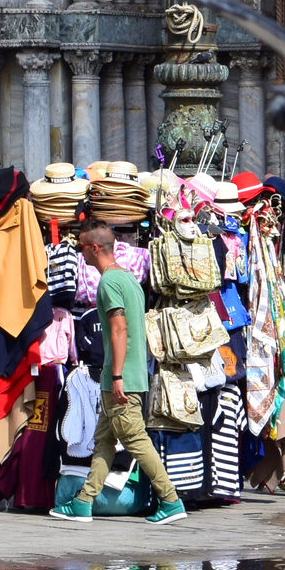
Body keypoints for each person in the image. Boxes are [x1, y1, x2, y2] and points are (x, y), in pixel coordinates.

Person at [52, 221, 186, 524]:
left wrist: (115, 376)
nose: (80, 255)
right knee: (104, 441)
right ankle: (84, 501)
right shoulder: (129, 280)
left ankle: (171, 500)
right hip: (130, 375)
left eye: (82, 248)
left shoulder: (110, 282)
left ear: (94, 248)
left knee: (136, 439)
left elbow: (119, 328)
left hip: (122, 379)